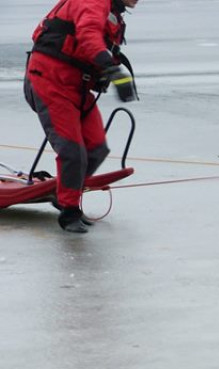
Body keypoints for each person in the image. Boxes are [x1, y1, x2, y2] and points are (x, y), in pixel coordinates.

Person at [23, 0, 139, 234]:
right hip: (50, 81)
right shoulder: (92, 2)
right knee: (72, 151)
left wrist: (109, 69)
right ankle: (69, 211)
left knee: (96, 148)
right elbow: (88, 35)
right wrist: (112, 70)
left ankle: (64, 192)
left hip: (77, 87)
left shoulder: (113, 12)